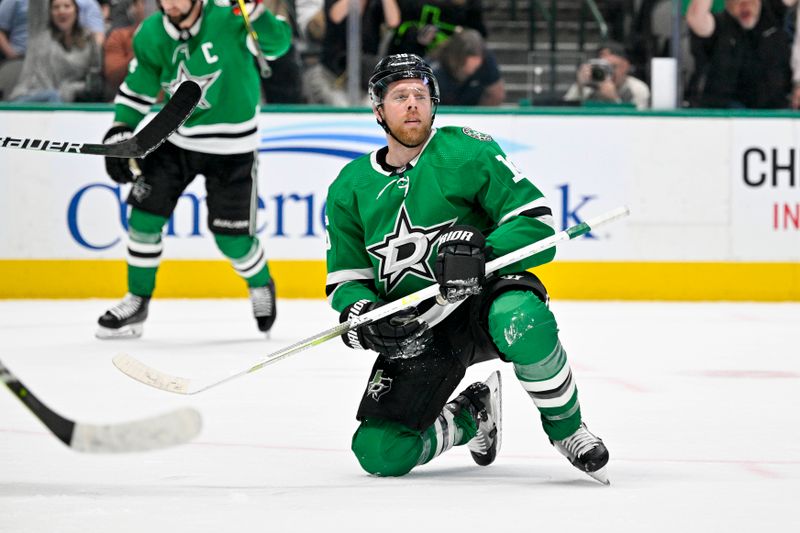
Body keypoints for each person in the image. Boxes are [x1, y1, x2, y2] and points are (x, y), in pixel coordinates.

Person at [324, 53, 610, 482]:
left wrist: (481, 254)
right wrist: (364, 314)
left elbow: (537, 223)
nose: (412, 104)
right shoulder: (349, 186)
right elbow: (347, 280)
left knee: (522, 319)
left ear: (434, 102)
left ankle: (568, 430)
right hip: (419, 328)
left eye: (420, 94)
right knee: (380, 452)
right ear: (378, 110)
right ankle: (471, 417)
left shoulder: (468, 149)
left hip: (483, 297)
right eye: (399, 96)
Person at [95, 0, 292, 339]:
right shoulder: (153, 32)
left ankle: (260, 283)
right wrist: (120, 129)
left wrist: (255, 11)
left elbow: (278, 46)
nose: (170, 4)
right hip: (178, 139)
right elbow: (139, 85)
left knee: (232, 240)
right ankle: (137, 300)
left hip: (233, 149)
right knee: (144, 219)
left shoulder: (231, 17)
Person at [686, 0, 797, 109]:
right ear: (727, 4)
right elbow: (696, 18)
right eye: (737, 2)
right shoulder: (719, 26)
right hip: (724, 114)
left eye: (749, 1)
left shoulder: (774, 14)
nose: (744, 6)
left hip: (774, 114)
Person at [9, 0, 103, 103]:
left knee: (56, 97)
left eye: (67, 6)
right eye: (56, 7)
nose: (61, 11)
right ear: (49, 12)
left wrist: (72, 89)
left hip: (62, 102)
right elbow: (37, 4)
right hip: (28, 96)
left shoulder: (88, 40)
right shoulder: (39, 32)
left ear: (76, 11)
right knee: (53, 96)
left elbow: (94, 77)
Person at [563, 41, 650, 110]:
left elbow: (636, 123)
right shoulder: (588, 85)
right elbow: (565, 114)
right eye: (603, 68)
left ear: (626, 67)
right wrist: (579, 87)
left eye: (613, 67)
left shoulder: (637, 89)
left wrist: (613, 100)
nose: (609, 73)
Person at [429, 27, 504, 106]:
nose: (470, 72)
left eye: (475, 68)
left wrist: (479, 115)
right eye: (464, 67)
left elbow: (496, 94)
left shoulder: (487, 61)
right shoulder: (435, 67)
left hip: (473, 109)